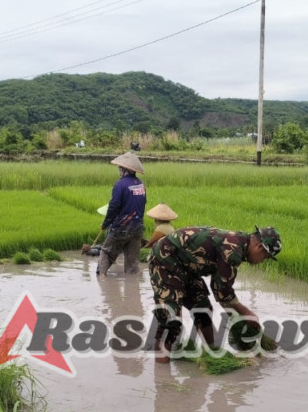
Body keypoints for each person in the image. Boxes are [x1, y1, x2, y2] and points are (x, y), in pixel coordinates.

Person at [148, 225, 282, 363]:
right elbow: (222, 290)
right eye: (265, 257)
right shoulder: (233, 250)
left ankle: (210, 353)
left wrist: (237, 318)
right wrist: (246, 312)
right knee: (170, 319)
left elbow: (221, 290)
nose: (262, 261)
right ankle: (162, 378)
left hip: (187, 268)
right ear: (259, 248)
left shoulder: (240, 245)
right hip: (166, 259)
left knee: (203, 310)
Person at [97, 151, 147, 276]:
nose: (119, 170)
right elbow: (143, 203)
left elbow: (114, 206)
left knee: (106, 252)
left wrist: (105, 224)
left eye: (120, 168)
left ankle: (102, 279)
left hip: (122, 226)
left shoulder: (120, 185)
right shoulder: (140, 184)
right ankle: (133, 289)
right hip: (138, 227)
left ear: (123, 170)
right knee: (132, 261)